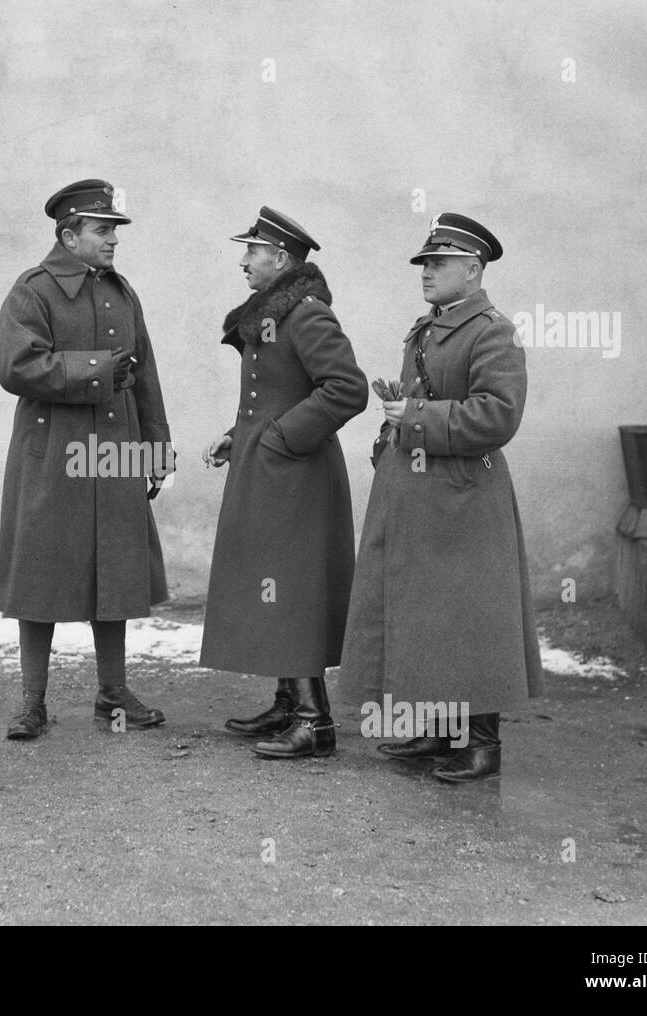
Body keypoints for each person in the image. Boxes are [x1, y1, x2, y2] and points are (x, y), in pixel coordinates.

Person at [337, 213, 542, 782]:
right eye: (424, 263)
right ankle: (437, 729)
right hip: (419, 494)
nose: (426, 273)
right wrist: (390, 435)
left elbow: (499, 415)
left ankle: (481, 743)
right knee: (427, 616)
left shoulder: (492, 331)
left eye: (438, 263)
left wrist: (418, 418)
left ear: (473, 270)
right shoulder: (427, 329)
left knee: (471, 618)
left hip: (465, 498)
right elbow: (410, 401)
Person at [0, 179, 174, 739]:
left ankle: (113, 694)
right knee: (40, 573)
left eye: (115, 229)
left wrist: (156, 448)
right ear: (69, 235)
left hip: (115, 449)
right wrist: (96, 370)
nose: (113, 239)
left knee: (115, 567)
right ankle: (31, 702)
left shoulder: (122, 291)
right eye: (102, 229)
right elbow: (14, 367)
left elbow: (144, 373)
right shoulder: (32, 291)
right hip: (52, 452)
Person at [200, 207, 368, 759]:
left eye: (252, 251)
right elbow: (275, 391)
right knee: (269, 583)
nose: (243, 260)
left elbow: (346, 388)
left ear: (281, 259)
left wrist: (277, 438)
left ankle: (316, 723)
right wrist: (238, 434)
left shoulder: (307, 314)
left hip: (296, 474)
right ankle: (285, 702)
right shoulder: (271, 313)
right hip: (268, 467)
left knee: (290, 588)